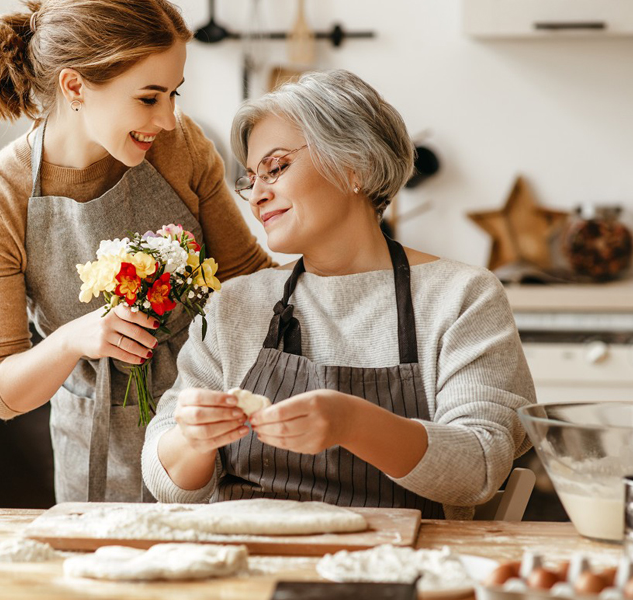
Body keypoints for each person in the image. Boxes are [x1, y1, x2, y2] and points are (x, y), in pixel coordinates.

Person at [142, 69, 536, 519]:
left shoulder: (462, 297)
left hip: (397, 567)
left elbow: (480, 468)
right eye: (252, 178)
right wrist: (192, 439)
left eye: (276, 167)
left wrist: (354, 423)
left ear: (357, 165)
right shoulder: (235, 304)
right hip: (244, 564)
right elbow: (166, 483)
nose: (256, 197)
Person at [0, 0, 273, 504]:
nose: (168, 119)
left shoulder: (179, 147)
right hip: (95, 453)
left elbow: (251, 283)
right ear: (75, 86)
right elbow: (0, 392)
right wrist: (72, 340)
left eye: (173, 94)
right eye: (149, 98)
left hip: (209, 429)